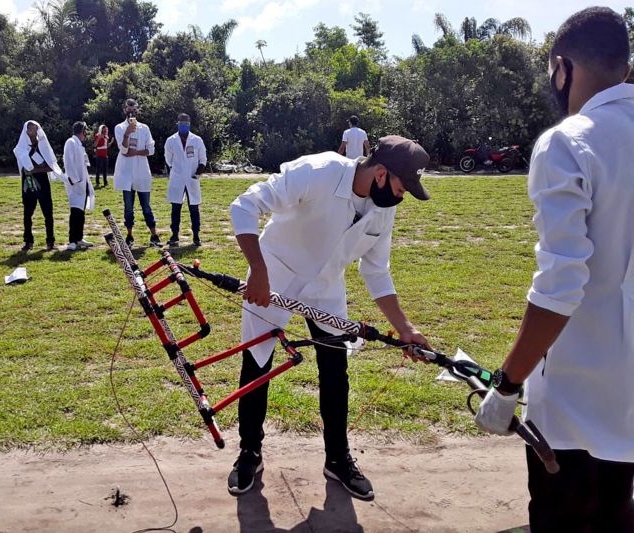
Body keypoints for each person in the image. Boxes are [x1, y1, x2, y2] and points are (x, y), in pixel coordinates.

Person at [474, 7, 634, 532]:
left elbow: (562, 283)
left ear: (562, 68)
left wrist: (506, 384)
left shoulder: (568, 142)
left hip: (578, 413)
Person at [228, 136, 432, 500]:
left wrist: (406, 328)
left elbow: (377, 272)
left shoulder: (384, 209)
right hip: (273, 276)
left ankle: (337, 459)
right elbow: (244, 205)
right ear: (381, 173)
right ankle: (249, 453)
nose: (402, 197)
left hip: (326, 290)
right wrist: (257, 269)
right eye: (402, 188)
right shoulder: (318, 171)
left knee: (336, 372)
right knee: (257, 366)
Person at [113, 98, 160, 247]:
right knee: (128, 207)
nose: (131, 111)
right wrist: (127, 134)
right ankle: (130, 236)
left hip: (141, 173)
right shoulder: (119, 128)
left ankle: (154, 236)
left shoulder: (144, 128)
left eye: (134, 109)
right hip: (127, 174)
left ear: (137, 110)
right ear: (124, 110)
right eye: (129, 109)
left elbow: (151, 150)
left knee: (146, 206)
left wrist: (137, 152)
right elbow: (124, 150)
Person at [13, 120, 60, 252]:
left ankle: (50, 241)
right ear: (26, 131)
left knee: (48, 212)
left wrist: (35, 169)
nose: (32, 132)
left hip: (43, 182)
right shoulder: (21, 147)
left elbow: (51, 166)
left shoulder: (43, 145)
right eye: (30, 129)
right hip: (28, 183)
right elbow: (24, 169)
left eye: (35, 129)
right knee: (27, 213)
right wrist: (37, 168)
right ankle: (28, 241)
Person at [164, 113, 207, 247]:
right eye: (182, 124)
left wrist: (198, 172)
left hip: (192, 178)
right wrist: (175, 170)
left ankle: (196, 236)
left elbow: (203, 159)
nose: (184, 126)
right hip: (177, 178)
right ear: (177, 124)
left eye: (186, 124)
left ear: (190, 124)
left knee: (194, 208)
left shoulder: (197, 140)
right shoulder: (171, 140)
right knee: (175, 208)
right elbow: (168, 159)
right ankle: (175, 235)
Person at [62, 121, 95, 251]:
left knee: (80, 212)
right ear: (82, 131)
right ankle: (72, 240)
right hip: (75, 184)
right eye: (86, 131)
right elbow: (68, 162)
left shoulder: (79, 144)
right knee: (75, 212)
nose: (86, 134)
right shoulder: (71, 142)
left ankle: (79, 238)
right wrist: (75, 180)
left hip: (83, 183)